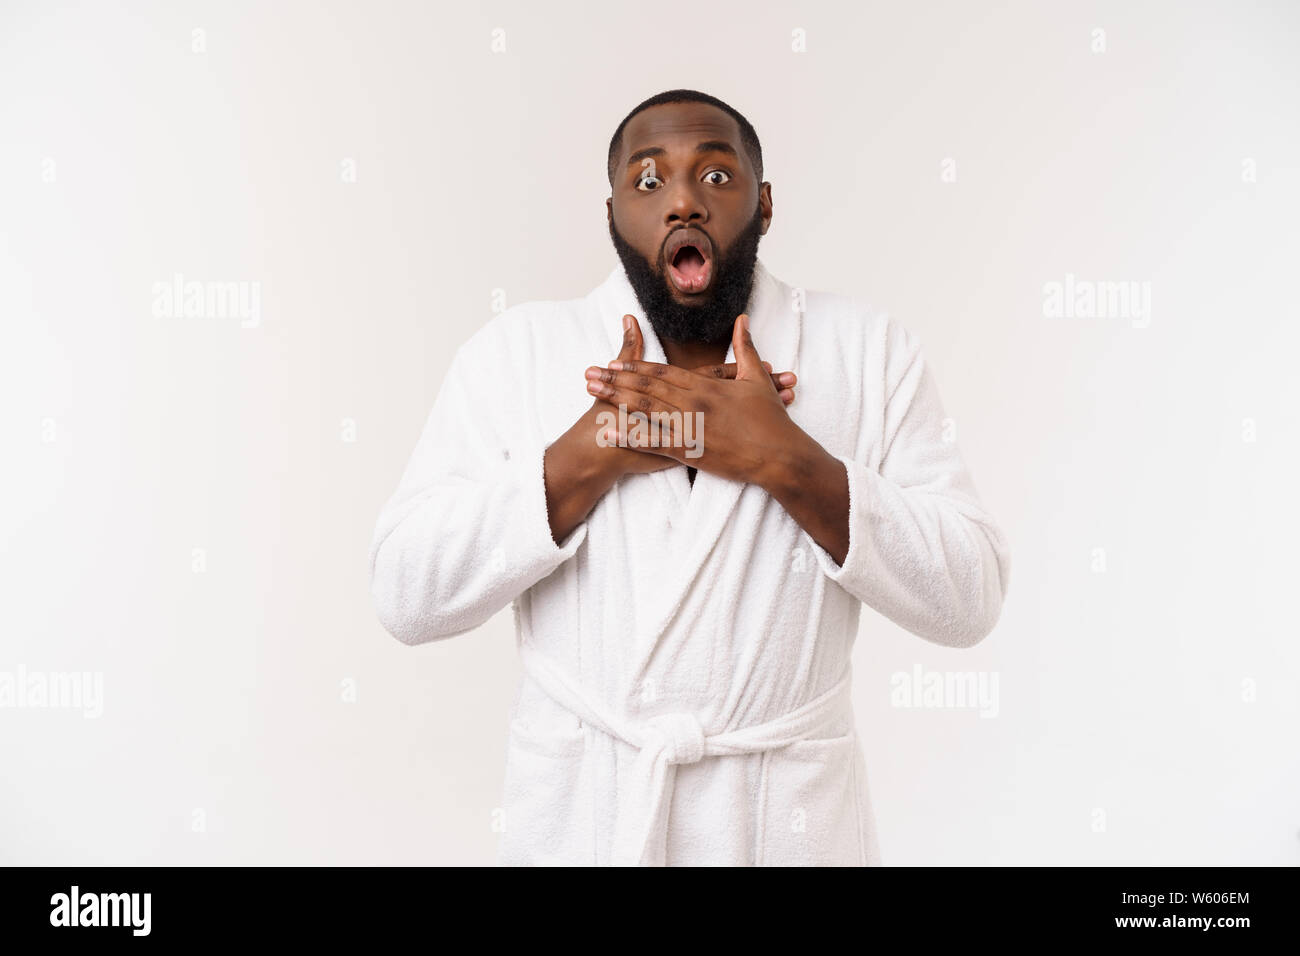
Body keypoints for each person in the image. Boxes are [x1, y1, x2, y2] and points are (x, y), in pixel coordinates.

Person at [368, 89, 1011, 866]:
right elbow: (405, 593)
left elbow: (970, 597)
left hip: (786, 826)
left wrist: (786, 460)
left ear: (763, 203)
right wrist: (587, 456)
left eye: (715, 176)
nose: (682, 201)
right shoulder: (516, 355)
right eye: (648, 181)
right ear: (612, 217)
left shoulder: (869, 352)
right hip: (589, 821)